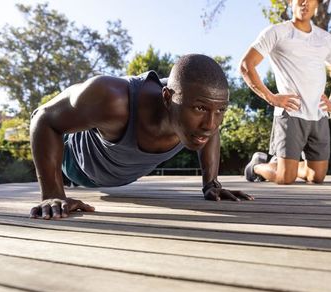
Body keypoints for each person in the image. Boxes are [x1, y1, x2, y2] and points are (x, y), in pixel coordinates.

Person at [29, 54, 253, 220]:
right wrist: (52, 193)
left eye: (221, 110)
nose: (211, 124)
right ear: (167, 98)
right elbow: (42, 118)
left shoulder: (201, 118)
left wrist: (211, 184)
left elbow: (211, 132)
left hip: (119, 174)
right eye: (200, 108)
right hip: (76, 164)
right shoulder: (112, 98)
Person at [240, 0, 331, 185]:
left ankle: (282, 164)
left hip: (319, 115)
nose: (305, 3)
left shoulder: (326, 39)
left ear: (317, 4)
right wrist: (271, 97)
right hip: (290, 113)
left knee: (317, 177)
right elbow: (246, 65)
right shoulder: (276, 32)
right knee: (285, 178)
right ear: (291, 2)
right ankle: (257, 166)